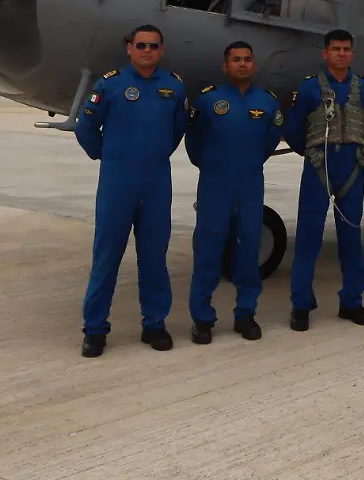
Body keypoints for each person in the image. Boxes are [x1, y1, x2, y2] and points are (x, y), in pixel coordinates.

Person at [74, 25, 189, 357]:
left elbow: (177, 130)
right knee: (106, 258)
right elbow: (85, 128)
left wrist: (154, 154)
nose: (147, 51)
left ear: (161, 50)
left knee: (154, 257)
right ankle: (95, 330)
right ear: (129, 48)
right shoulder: (109, 85)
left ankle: (154, 324)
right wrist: (108, 156)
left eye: (153, 46)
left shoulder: (174, 87)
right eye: (141, 45)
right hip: (117, 183)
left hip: (156, 182)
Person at [183, 41, 284, 345]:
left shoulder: (267, 103)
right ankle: (202, 319)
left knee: (248, 249)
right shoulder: (207, 101)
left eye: (247, 59)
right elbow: (193, 144)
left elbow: (270, 142)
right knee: (208, 251)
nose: (242, 64)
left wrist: (247, 165)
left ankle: (245, 314)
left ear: (253, 65)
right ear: (225, 66)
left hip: (250, 186)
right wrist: (214, 166)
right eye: (236, 60)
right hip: (215, 185)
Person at [283, 29, 364, 331]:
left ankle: (351, 301)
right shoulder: (309, 90)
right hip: (317, 169)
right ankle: (301, 305)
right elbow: (292, 129)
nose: (341, 53)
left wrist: (355, 151)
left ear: (352, 54)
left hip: (351, 171)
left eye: (346, 49)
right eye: (335, 49)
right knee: (308, 239)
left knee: (351, 238)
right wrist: (312, 154)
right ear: (325, 53)